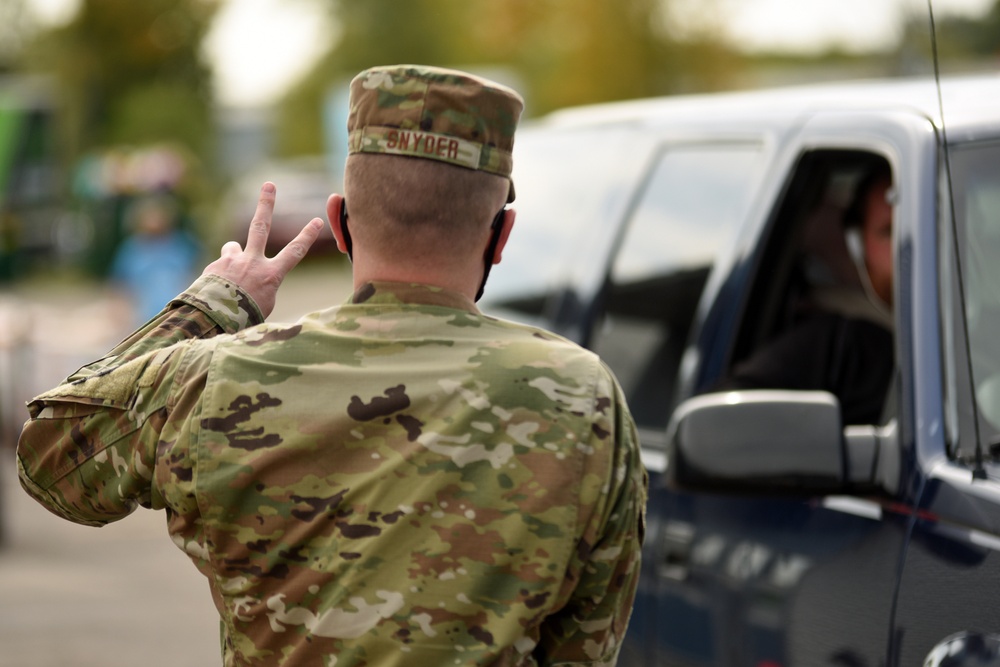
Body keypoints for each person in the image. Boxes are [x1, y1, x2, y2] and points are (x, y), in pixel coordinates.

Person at [17, 65, 647, 667]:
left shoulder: (212, 380)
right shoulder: (582, 395)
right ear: (501, 235)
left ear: (340, 224)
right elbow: (585, 643)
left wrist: (213, 306)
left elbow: (51, 461)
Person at [718, 160, 895, 425]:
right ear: (858, 246)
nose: (908, 249)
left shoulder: (975, 336)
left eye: (927, 225)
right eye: (889, 232)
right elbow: (718, 422)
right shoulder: (838, 349)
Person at [109, 193, 202, 326]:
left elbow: (194, 279)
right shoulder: (131, 249)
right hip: (142, 321)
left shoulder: (183, 246)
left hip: (178, 319)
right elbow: (120, 287)